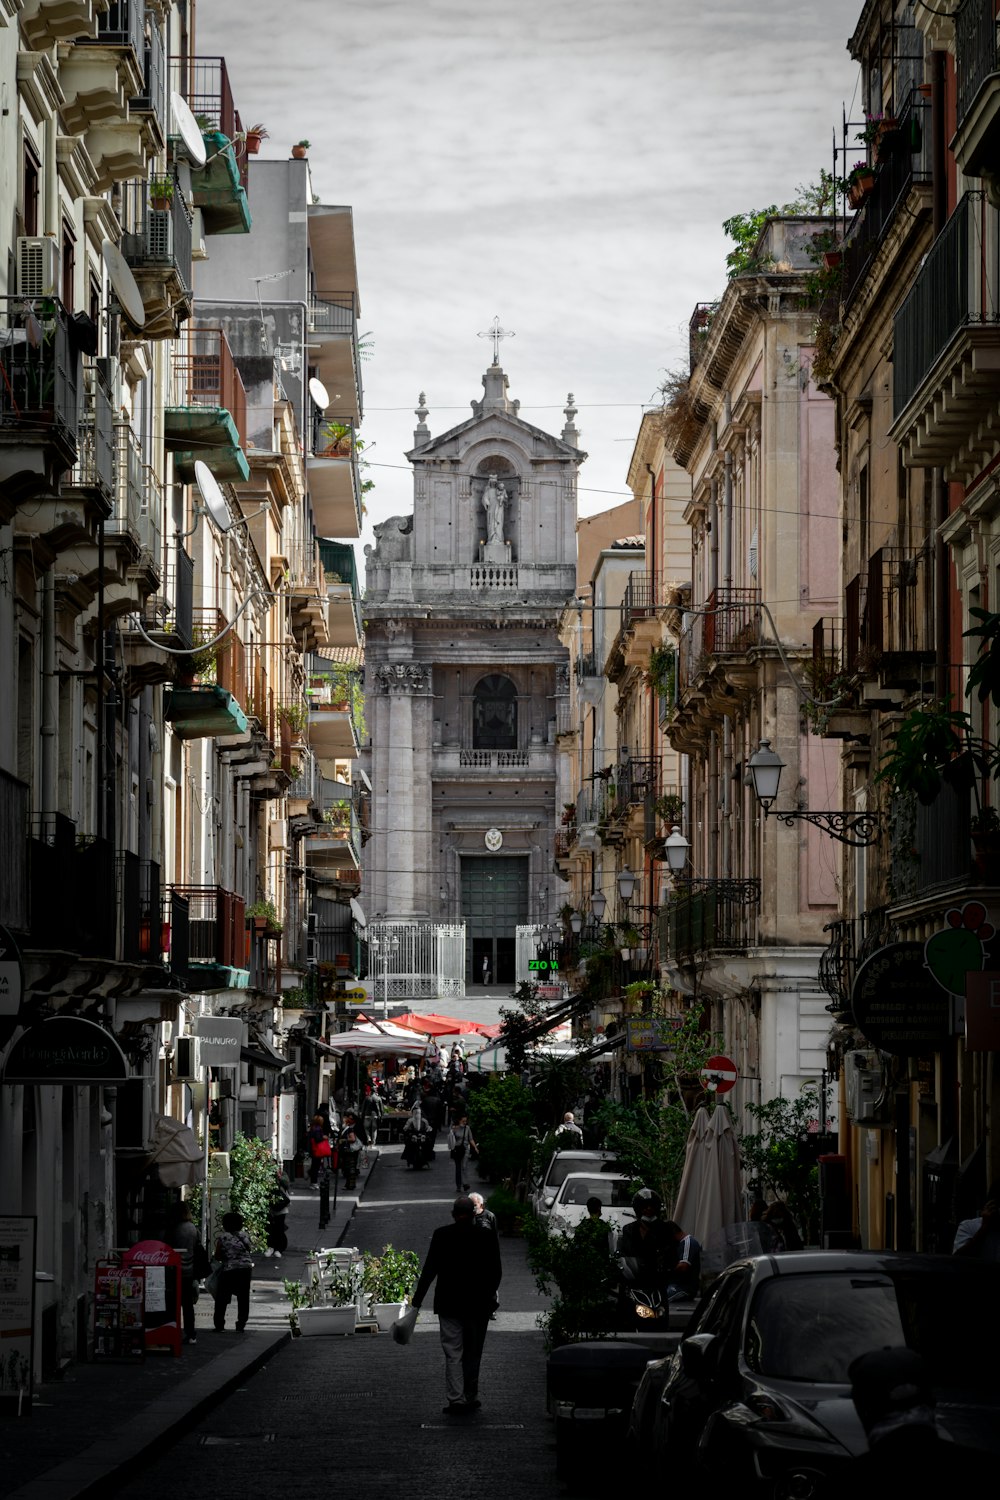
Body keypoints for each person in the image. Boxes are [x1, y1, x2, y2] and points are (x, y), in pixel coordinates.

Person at [411, 1195, 502, 1415]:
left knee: (453, 1352)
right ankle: (471, 1395)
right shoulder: (486, 1236)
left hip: (449, 1303)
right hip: (478, 1305)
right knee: (473, 1352)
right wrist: (489, 1297)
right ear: (474, 1214)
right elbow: (495, 1271)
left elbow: (429, 1270)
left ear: (453, 1214)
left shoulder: (442, 1235)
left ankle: (456, 1398)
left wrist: (417, 1301)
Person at [213, 1210, 254, 1332]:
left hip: (229, 1269)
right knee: (243, 1297)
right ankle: (241, 1324)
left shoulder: (223, 1237)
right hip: (245, 1269)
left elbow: (218, 1256)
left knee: (222, 1297)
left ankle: (219, 1325)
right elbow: (249, 1249)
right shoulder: (245, 1236)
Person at [170, 1202, 201, 1345]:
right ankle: (191, 1333)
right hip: (189, 1271)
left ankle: (171, 1330)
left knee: (172, 1303)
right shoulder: (193, 1228)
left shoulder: (175, 1228)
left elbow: (167, 1246)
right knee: (188, 1305)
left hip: (175, 1270)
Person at [662, 1219, 702, 1300]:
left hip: (684, 1288)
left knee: (662, 1299)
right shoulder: (677, 1245)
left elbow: (683, 1266)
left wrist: (667, 1272)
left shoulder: (688, 1242)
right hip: (675, 1285)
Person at [447, 1111, 477, 1193]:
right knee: (458, 1168)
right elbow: (450, 1139)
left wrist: (475, 1147)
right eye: (463, 1121)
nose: (465, 1123)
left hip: (465, 1150)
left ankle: (465, 1183)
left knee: (464, 1167)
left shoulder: (467, 1128)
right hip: (456, 1150)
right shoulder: (455, 1128)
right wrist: (452, 1131)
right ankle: (458, 1186)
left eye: (466, 1121)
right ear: (459, 1121)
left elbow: (470, 1139)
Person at [264, 1169, 291, 1258]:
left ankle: (278, 1248)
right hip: (270, 1207)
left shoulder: (281, 1173)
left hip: (281, 1208)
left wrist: (279, 1177)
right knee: (270, 1228)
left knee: (279, 1228)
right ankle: (271, 1247)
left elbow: (286, 1184)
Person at [338, 1111, 367, 1190]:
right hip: (352, 1149)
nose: (348, 1119)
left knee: (351, 1166)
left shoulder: (352, 1128)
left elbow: (353, 1139)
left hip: (352, 1149)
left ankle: (350, 1184)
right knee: (351, 1166)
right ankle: (350, 1183)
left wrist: (344, 1140)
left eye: (350, 1118)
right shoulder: (348, 1127)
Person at [402, 1103, 432, 1169]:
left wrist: (428, 1130)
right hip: (413, 1135)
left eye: (419, 1113)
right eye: (416, 1113)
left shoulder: (424, 1121)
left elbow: (428, 1127)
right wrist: (408, 1131)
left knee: (428, 1144)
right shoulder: (410, 1121)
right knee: (408, 1145)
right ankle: (409, 1158)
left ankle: (428, 1157)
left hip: (422, 1136)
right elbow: (405, 1128)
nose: (417, 1114)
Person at [307, 1113, 331, 1188]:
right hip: (317, 1150)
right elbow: (318, 1139)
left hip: (314, 1150)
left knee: (315, 1166)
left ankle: (312, 1178)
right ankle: (313, 1182)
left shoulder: (313, 1128)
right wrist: (324, 1138)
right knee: (316, 1166)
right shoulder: (318, 1129)